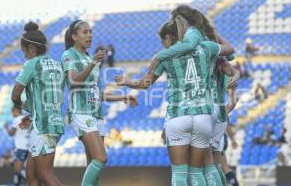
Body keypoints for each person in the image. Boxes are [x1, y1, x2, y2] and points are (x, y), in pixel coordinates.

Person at [116, 20, 234, 186]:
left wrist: (127, 82)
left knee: (179, 173)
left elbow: (145, 84)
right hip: (203, 116)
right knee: (201, 169)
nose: (163, 45)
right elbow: (230, 52)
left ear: (167, 38)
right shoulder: (206, 47)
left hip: (178, 116)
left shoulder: (165, 56)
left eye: (162, 41)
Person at [62, 19, 137, 186]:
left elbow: (99, 94)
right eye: (85, 32)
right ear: (74, 36)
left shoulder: (91, 59)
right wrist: (92, 63)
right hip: (81, 113)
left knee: (94, 164)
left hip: (97, 114)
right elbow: (73, 81)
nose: (89, 35)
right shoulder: (69, 55)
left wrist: (122, 97)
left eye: (90, 32)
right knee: (101, 157)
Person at [11, 22, 65, 186]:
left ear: (32, 49)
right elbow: (48, 97)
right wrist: (32, 114)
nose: (24, 56)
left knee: (45, 174)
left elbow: (16, 93)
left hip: (43, 126)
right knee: (31, 174)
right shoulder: (57, 64)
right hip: (53, 122)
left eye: (24, 51)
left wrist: (18, 105)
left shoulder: (31, 64)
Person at [4, 106, 30, 186]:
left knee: (17, 170)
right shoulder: (26, 119)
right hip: (29, 147)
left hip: (21, 148)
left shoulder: (17, 119)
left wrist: (7, 128)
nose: (12, 114)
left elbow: (11, 133)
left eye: (12, 112)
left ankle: (26, 180)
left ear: (14, 111)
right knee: (25, 168)